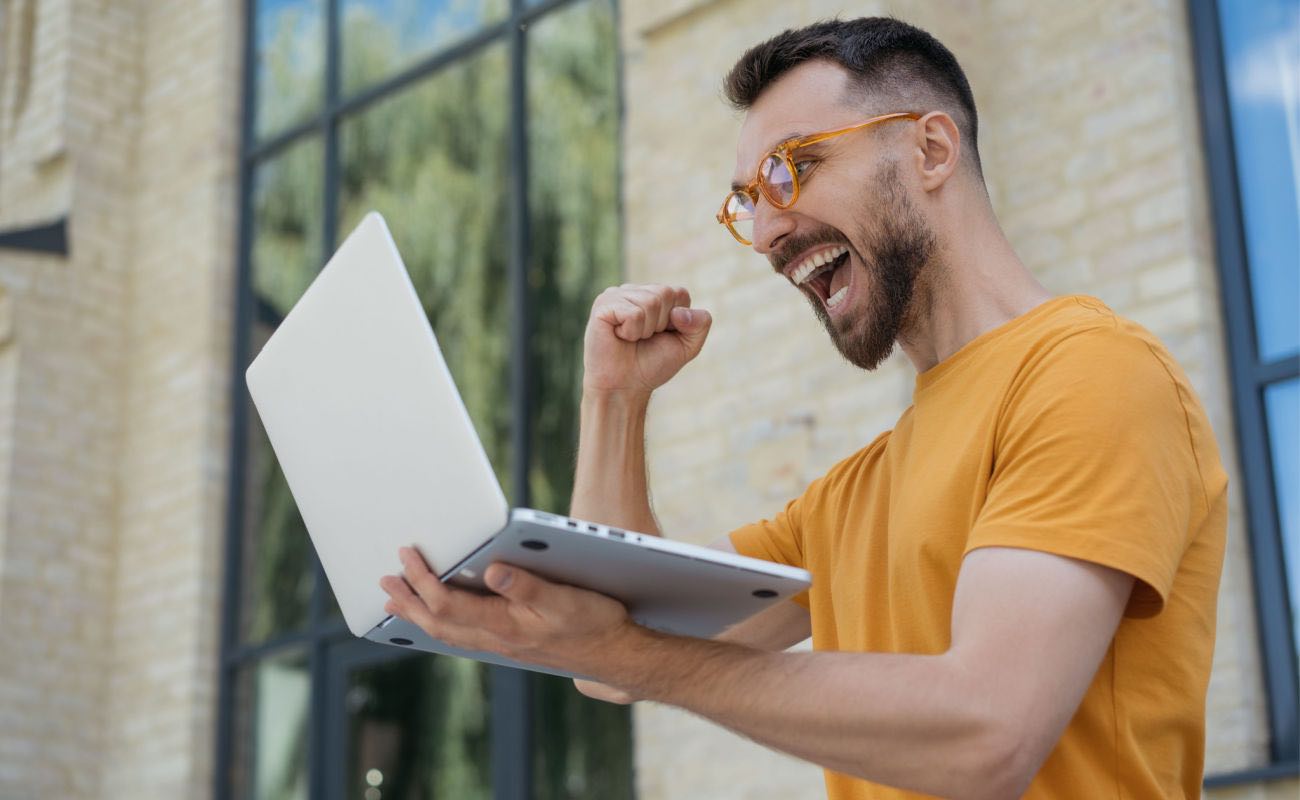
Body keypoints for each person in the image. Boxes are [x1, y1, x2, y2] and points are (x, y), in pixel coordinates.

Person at [380, 17, 1227, 799]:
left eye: (795, 167)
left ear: (931, 150)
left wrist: (626, 653)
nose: (764, 230)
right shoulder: (847, 499)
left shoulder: (1090, 373)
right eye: (748, 198)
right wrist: (614, 401)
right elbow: (613, 657)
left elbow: (987, 731)